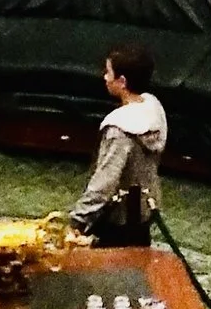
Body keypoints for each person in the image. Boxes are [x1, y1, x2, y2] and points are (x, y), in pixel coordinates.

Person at [69, 42, 168, 246]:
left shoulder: (119, 129)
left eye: (108, 72)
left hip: (119, 219)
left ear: (122, 81)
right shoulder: (154, 108)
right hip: (144, 210)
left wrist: (78, 221)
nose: (105, 77)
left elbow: (105, 182)